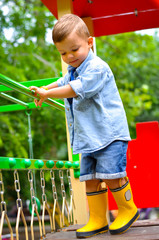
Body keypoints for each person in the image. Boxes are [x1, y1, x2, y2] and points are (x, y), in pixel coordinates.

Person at [30, 14, 139, 238]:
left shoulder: (97, 67)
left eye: (74, 50)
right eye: (63, 53)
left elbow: (75, 88)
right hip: (88, 137)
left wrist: (48, 93)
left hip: (108, 135)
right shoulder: (74, 69)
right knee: (89, 179)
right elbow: (62, 83)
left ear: (90, 43)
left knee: (112, 175)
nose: (69, 57)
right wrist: (43, 91)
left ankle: (128, 209)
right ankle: (98, 218)